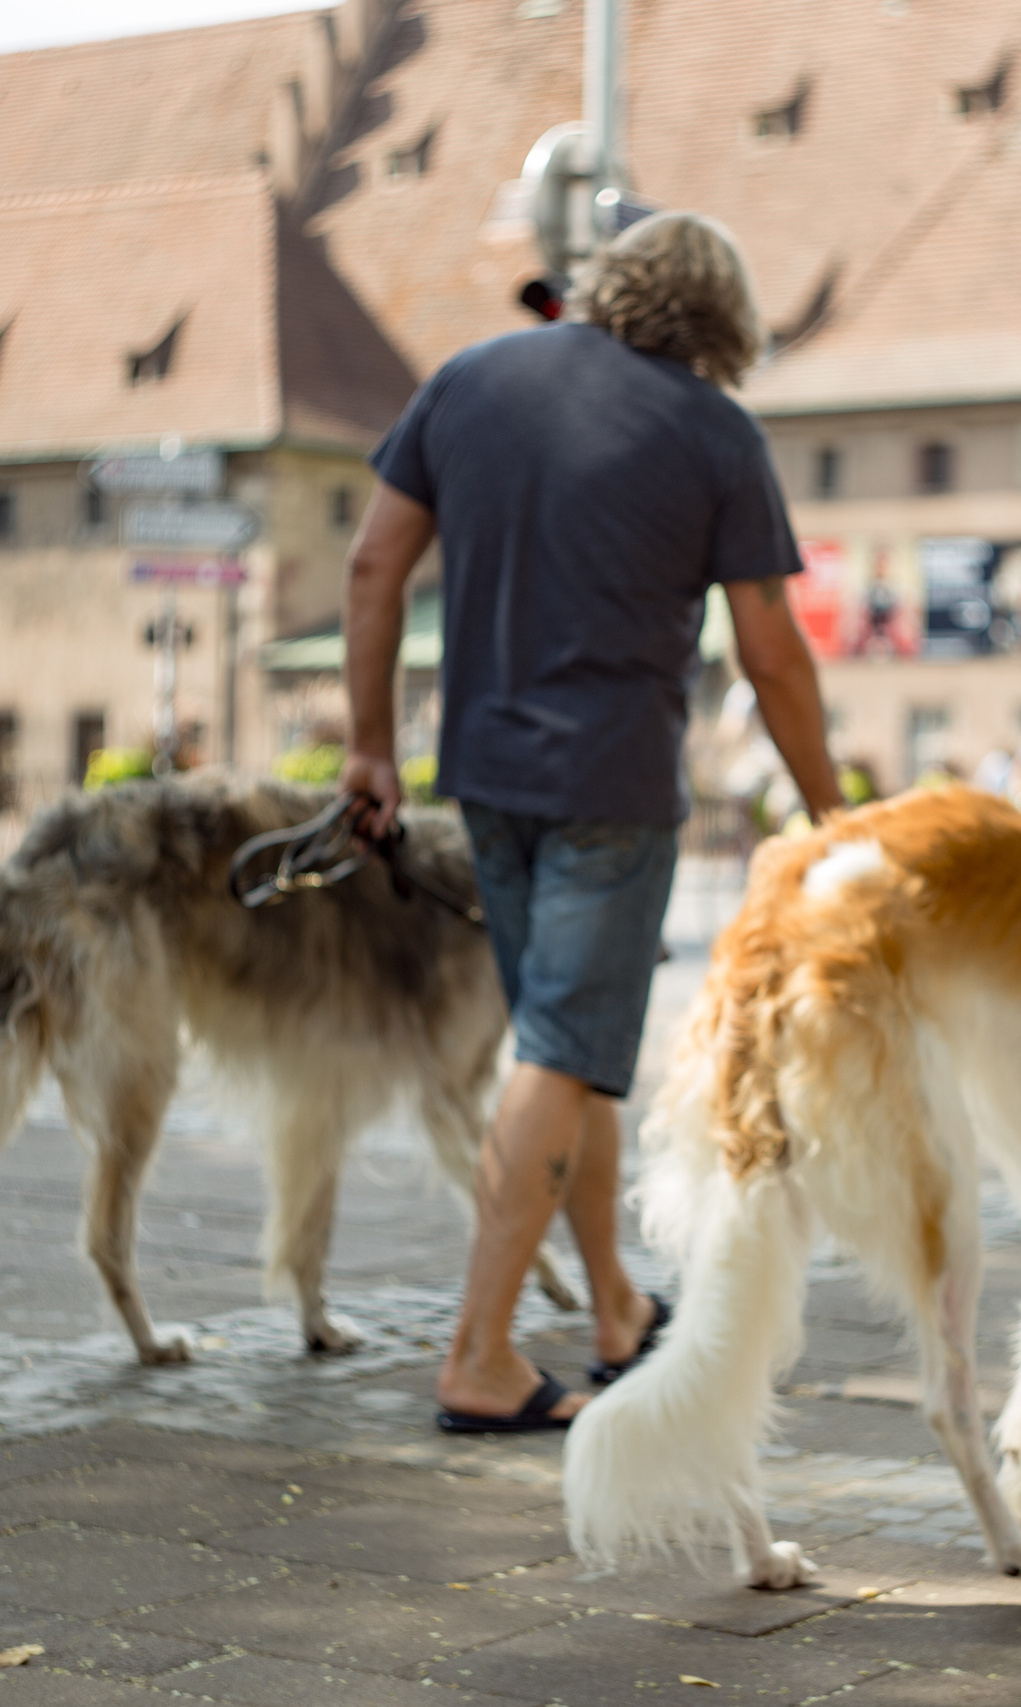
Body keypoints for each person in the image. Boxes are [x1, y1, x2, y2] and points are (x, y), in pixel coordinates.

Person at [341, 211, 843, 1432]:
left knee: (569, 1052)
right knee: (563, 1055)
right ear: (721, 323)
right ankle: (480, 1357)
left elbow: (371, 567)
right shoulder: (715, 432)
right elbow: (772, 654)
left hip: (484, 776)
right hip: (609, 790)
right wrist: (831, 810)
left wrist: (368, 748)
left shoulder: (467, 381)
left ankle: (616, 1307)